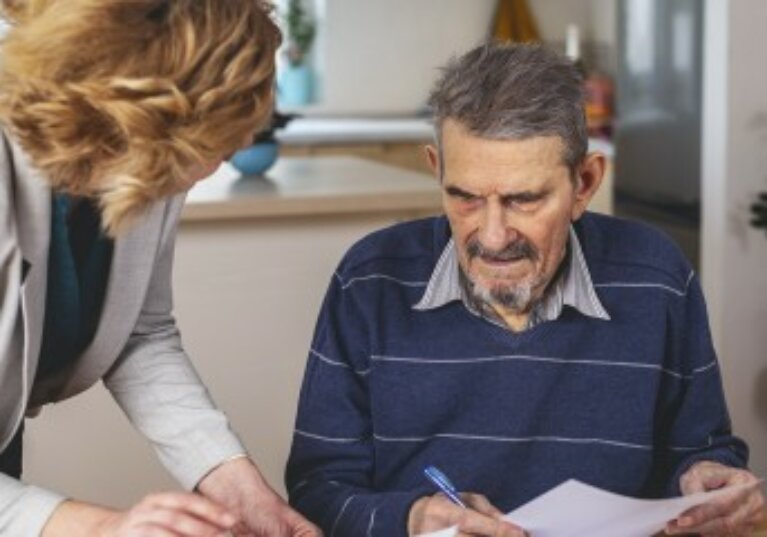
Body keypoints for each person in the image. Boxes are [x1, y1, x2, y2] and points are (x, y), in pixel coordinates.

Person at [285, 43, 764, 536]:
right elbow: (316, 488)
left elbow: (703, 451)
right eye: (465, 197)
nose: (492, 237)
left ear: (584, 184)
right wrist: (410, 518)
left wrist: (708, 479)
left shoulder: (658, 278)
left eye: (525, 200)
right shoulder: (369, 281)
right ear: (437, 170)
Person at [0, 1, 320, 536]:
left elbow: (138, 334)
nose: (227, 155)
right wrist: (102, 528)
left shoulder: (138, 156)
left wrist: (241, 492)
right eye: (215, 145)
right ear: (138, 115)